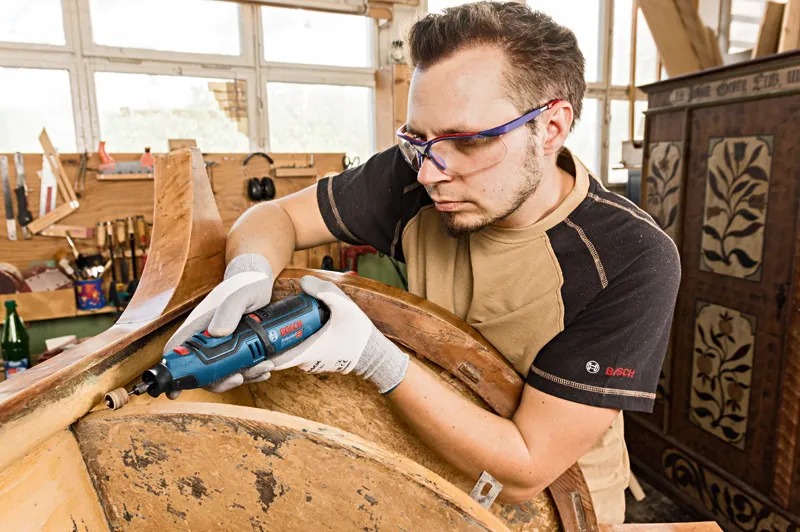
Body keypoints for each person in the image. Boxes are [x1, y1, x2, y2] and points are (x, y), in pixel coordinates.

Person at [165, 2, 680, 523]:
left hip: (556, 507)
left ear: (550, 128)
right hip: (428, 475)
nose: (433, 174)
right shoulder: (418, 171)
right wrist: (248, 273)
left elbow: (526, 469)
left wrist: (374, 358)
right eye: (417, 140)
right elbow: (275, 217)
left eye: (468, 141)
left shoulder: (632, 258)